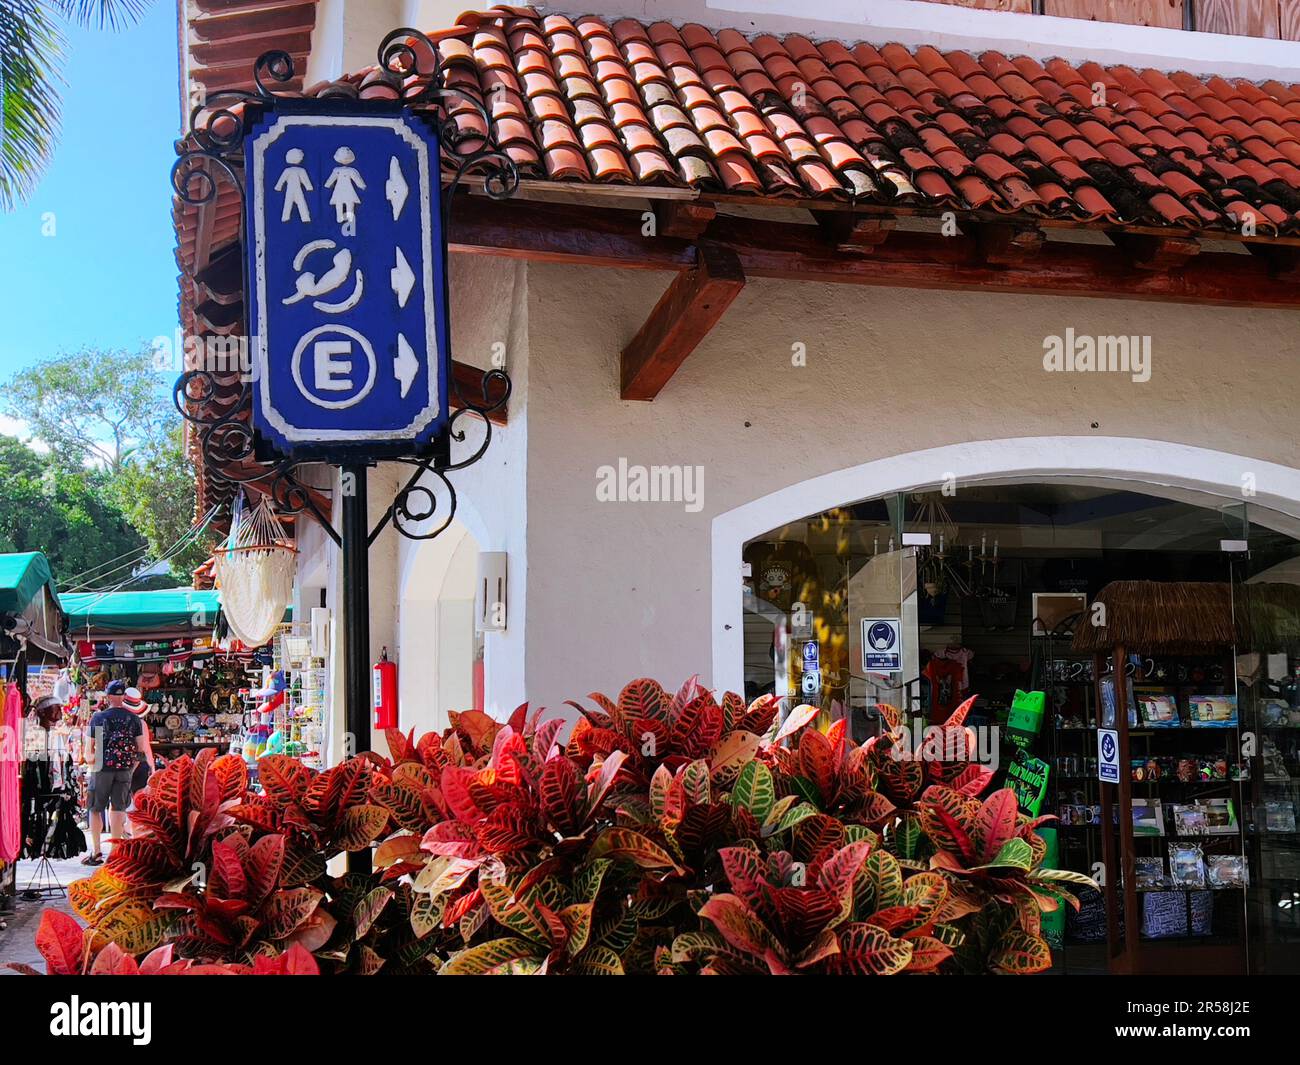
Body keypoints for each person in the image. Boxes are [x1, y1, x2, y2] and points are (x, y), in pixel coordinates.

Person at [83, 680, 147, 865]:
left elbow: (89, 749)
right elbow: (140, 749)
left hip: (102, 766)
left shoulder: (99, 718)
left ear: (108, 696)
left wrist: (92, 762)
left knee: (95, 808)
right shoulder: (134, 719)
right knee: (118, 808)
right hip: (125, 768)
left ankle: (96, 851)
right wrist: (131, 767)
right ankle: (115, 852)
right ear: (123, 697)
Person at [123, 687, 156, 816]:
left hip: (122, 763)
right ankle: (135, 830)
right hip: (140, 763)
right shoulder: (141, 723)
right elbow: (145, 747)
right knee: (140, 801)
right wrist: (152, 767)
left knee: (121, 803)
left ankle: (122, 831)